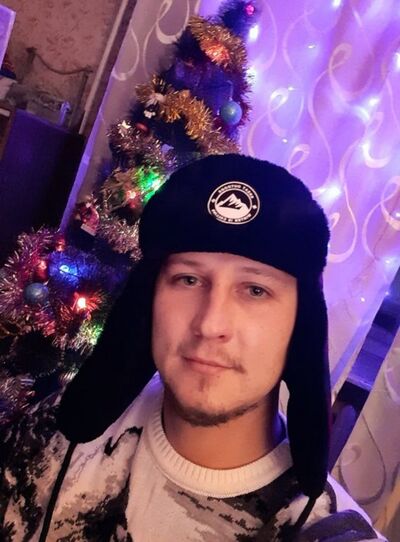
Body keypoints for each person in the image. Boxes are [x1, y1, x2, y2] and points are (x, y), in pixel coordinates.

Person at [0, 154, 386, 541]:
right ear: (148, 300)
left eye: (255, 290)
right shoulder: (51, 429)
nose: (209, 324)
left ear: (301, 324)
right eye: (188, 279)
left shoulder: (325, 530)